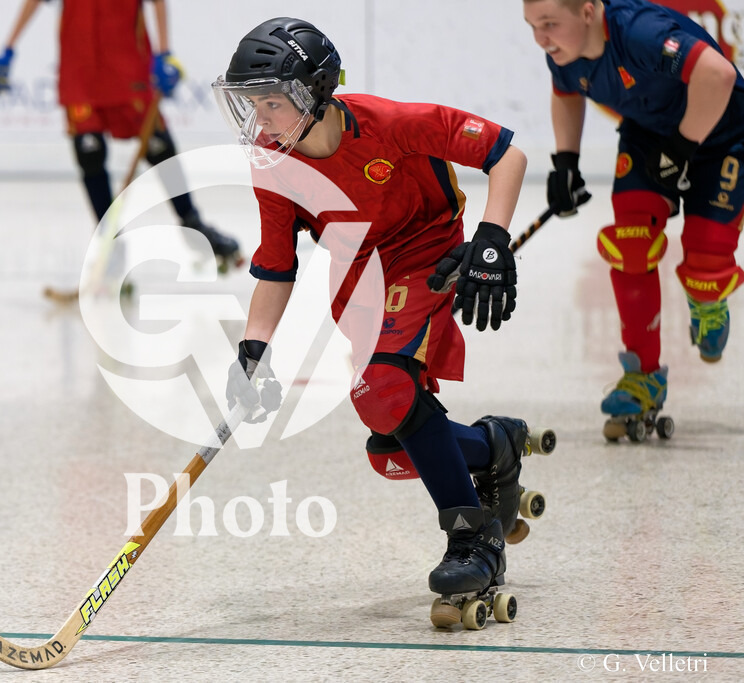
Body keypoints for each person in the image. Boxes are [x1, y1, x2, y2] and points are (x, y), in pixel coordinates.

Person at [214, 17, 533, 628]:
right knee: (390, 446)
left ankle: (473, 540)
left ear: (315, 93)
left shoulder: (393, 124)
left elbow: (505, 153)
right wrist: (252, 350)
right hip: (357, 280)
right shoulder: (272, 162)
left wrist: (492, 240)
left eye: (273, 103)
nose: (261, 119)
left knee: (385, 387)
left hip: (424, 253)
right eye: (252, 104)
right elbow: (276, 266)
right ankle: (492, 445)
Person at [523, 0, 744, 435]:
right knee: (630, 243)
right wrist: (565, 162)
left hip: (723, 133)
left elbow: (718, 75)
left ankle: (707, 299)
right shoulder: (563, 54)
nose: (541, 38)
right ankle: (642, 375)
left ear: (588, 12)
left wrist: (682, 150)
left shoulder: (639, 32)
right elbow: (566, 91)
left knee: (706, 263)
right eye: (532, 26)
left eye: (550, 24)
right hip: (648, 136)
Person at [0, 0, 242, 270]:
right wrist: (9, 47)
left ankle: (193, 223)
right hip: (81, 71)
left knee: (159, 146)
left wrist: (164, 53)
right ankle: (109, 243)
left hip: (128, 66)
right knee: (89, 152)